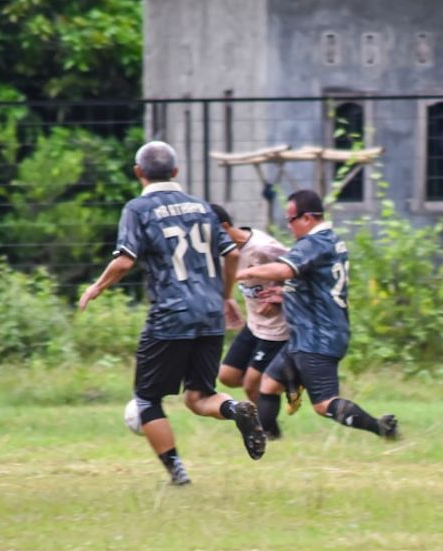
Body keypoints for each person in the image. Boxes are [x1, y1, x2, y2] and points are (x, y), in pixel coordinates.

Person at [77, 141, 266, 487]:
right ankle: (235, 409)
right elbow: (233, 255)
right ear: (175, 172)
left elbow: (124, 261)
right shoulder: (202, 207)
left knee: (147, 399)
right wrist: (224, 297)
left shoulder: (138, 208)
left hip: (170, 314)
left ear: (138, 172)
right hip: (209, 312)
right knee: (199, 396)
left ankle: (178, 474)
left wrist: (97, 287)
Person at [236, 189, 398, 441]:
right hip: (308, 334)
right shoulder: (330, 240)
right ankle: (269, 439)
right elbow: (315, 282)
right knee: (268, 384)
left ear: (307, 218)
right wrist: (285, 294)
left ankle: (381, 428)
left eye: (291, 219)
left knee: (323, 404)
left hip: (318, 336)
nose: (288, 225)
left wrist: (244, 273)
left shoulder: (314, 242)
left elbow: (285, 270)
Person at [212, 203, 291, 413]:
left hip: (278, 328)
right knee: (227, 376)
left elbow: (302, 270)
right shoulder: (223, 253)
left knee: (251, 385)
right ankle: (281, 384)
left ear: (224, 227)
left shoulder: (263, 247)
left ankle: (266, 427)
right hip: (255, 324)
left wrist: (280, 295)